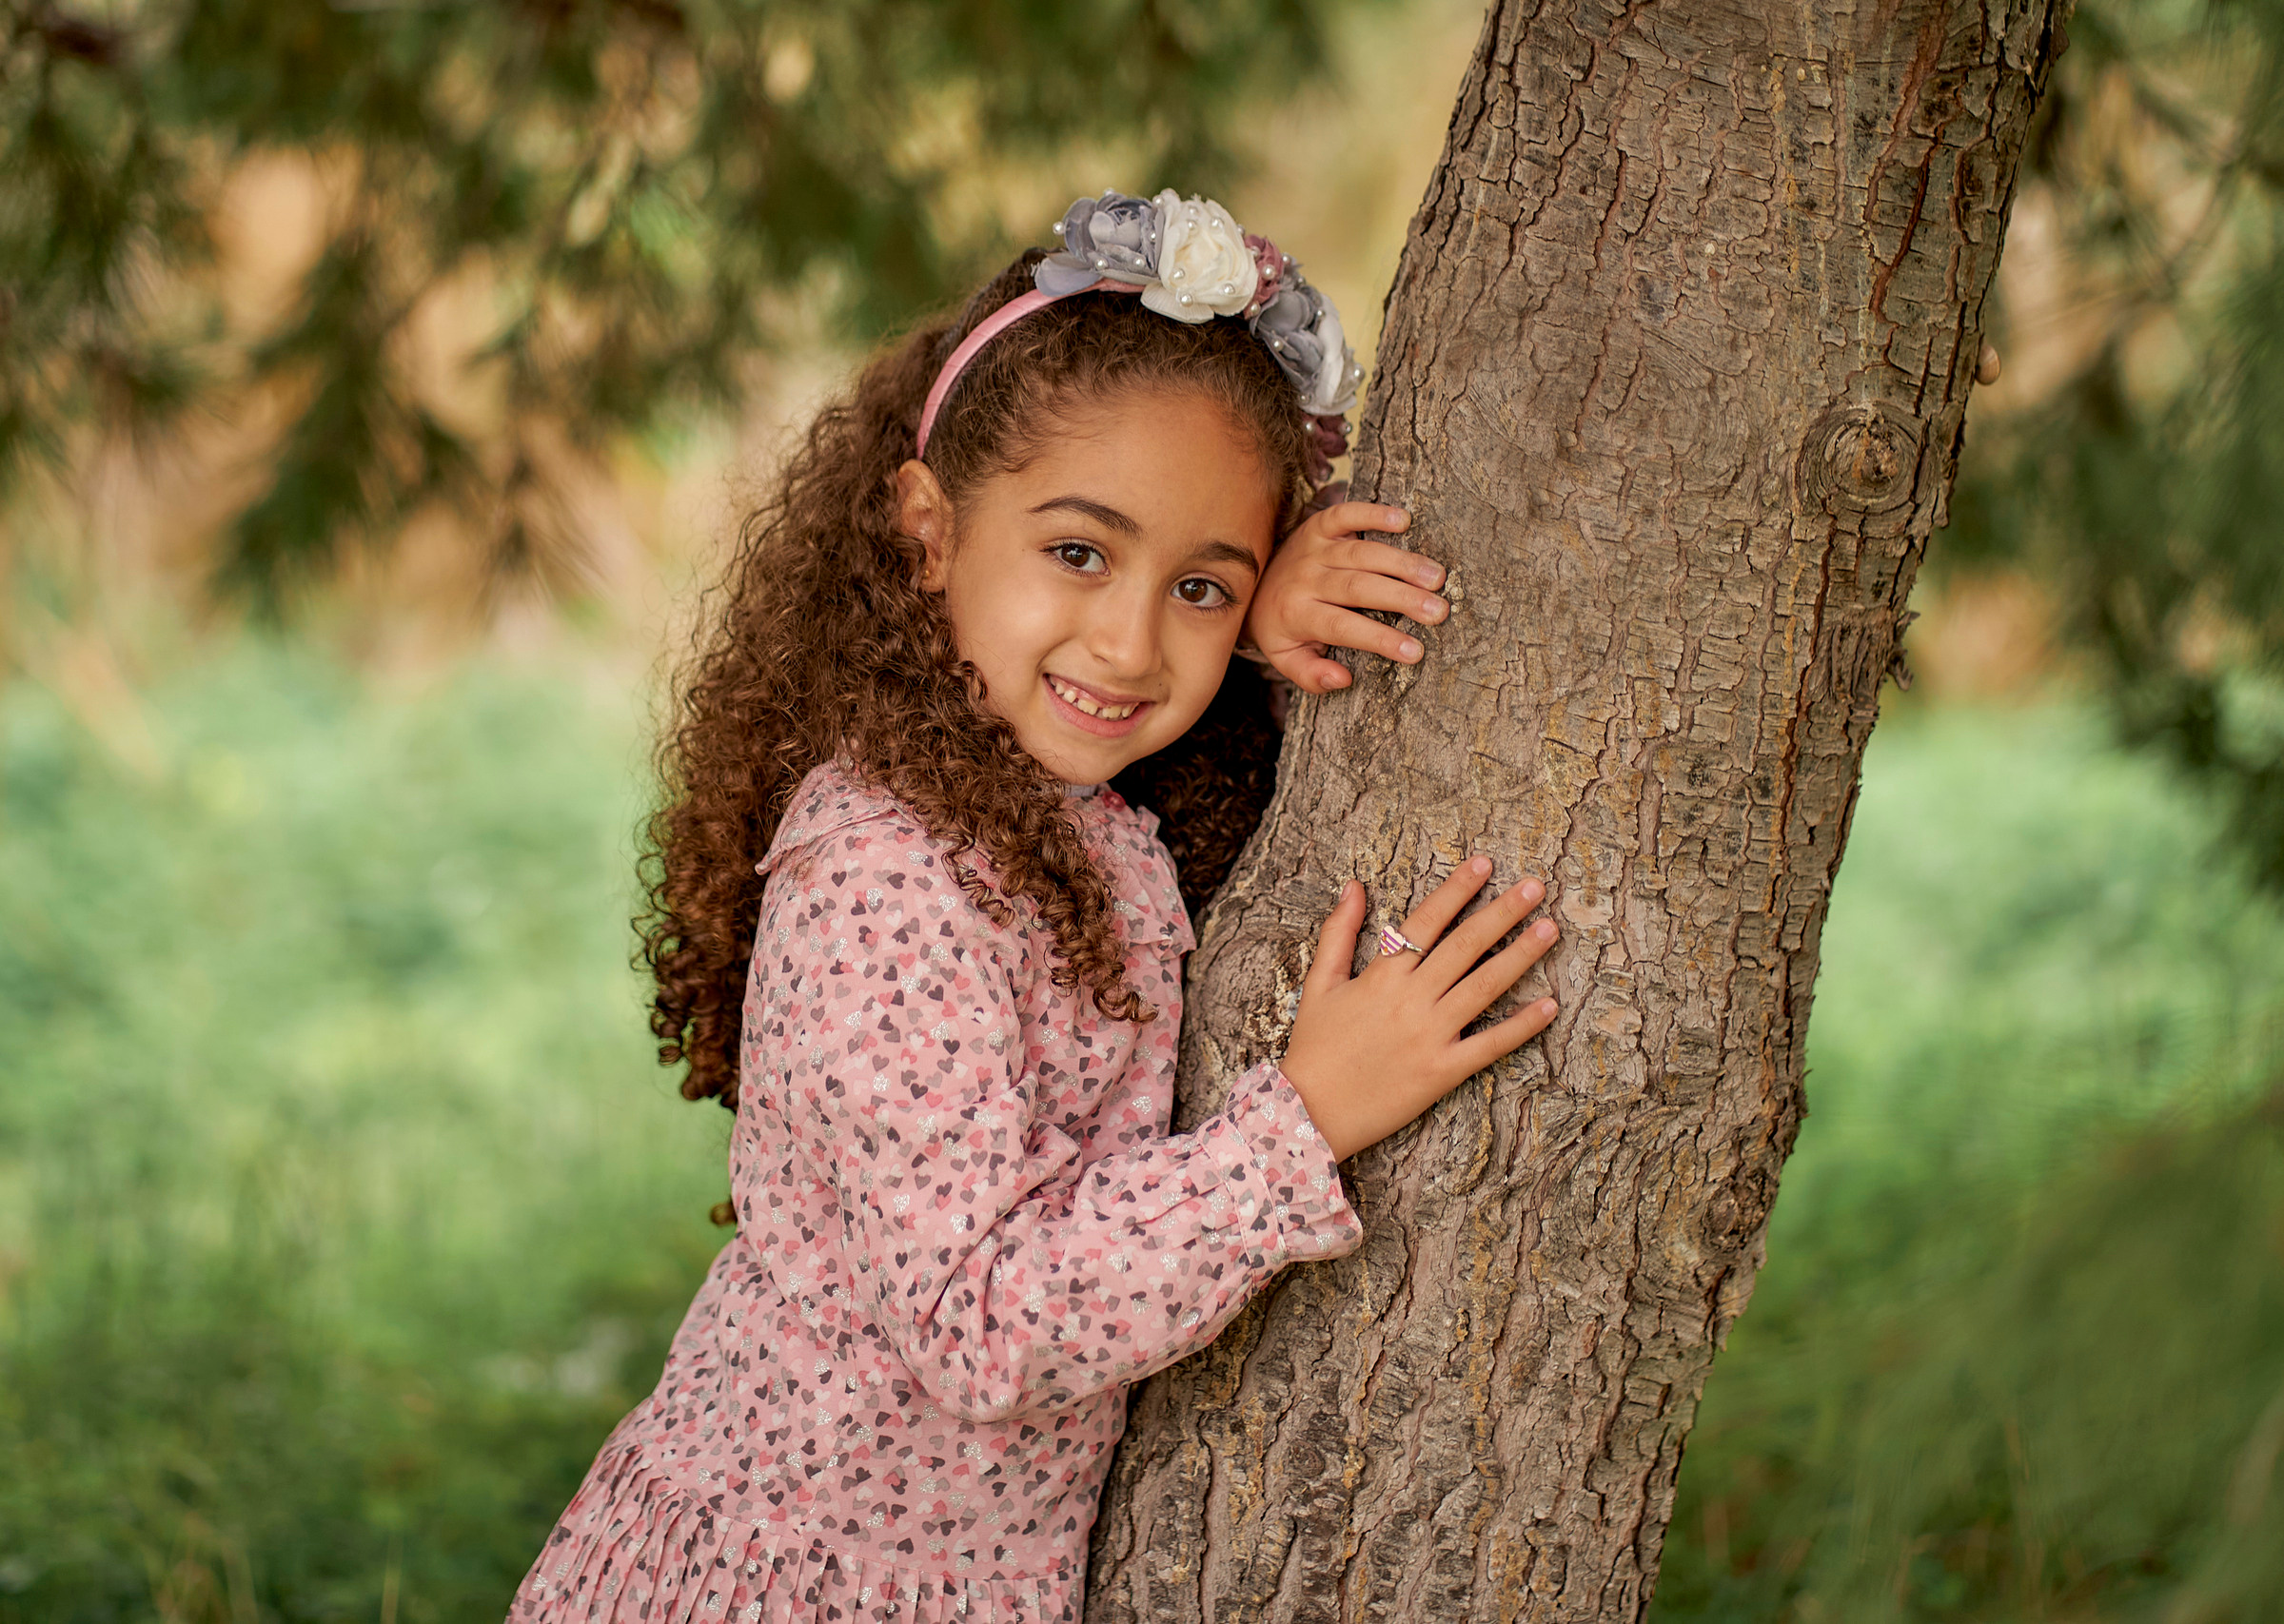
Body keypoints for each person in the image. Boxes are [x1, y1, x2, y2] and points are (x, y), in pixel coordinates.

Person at [510, 189, 1561, 1623]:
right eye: (1079, 553)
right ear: (926, 531)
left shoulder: (1065, 807)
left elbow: (1124, 671)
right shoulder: (883, 874)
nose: (1130, 641)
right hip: (791, 1584)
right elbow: (982, 1325)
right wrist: (1302, 1121)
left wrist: (1244, 630)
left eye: (1196, 584)